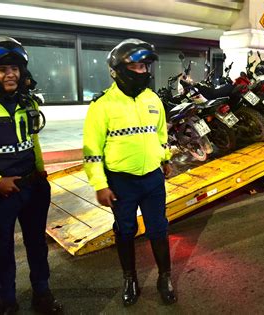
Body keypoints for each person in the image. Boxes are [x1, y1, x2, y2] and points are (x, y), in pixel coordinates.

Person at [83, 38, 176, 307]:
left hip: (152, 178)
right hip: (121, 182)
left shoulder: (153, 99)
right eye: (137, 66)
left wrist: (165, 158)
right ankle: (130, 279)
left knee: (159, 228)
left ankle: (164, 277)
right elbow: (92, 150)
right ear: (119, 69)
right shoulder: (102, 105)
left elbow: (161, 134)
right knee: (125, 230)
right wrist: (100, 184)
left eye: (146, 65)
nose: (143, 71)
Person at [0, 36, 62, 314]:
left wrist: (40, 171)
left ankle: (42, 293)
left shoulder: (29, 103)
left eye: (15, 68)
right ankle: (7, 302)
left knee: (37, 244)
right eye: (2, 69)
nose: (10, 74)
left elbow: (33, 140)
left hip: (32, 188)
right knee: (2, 251)